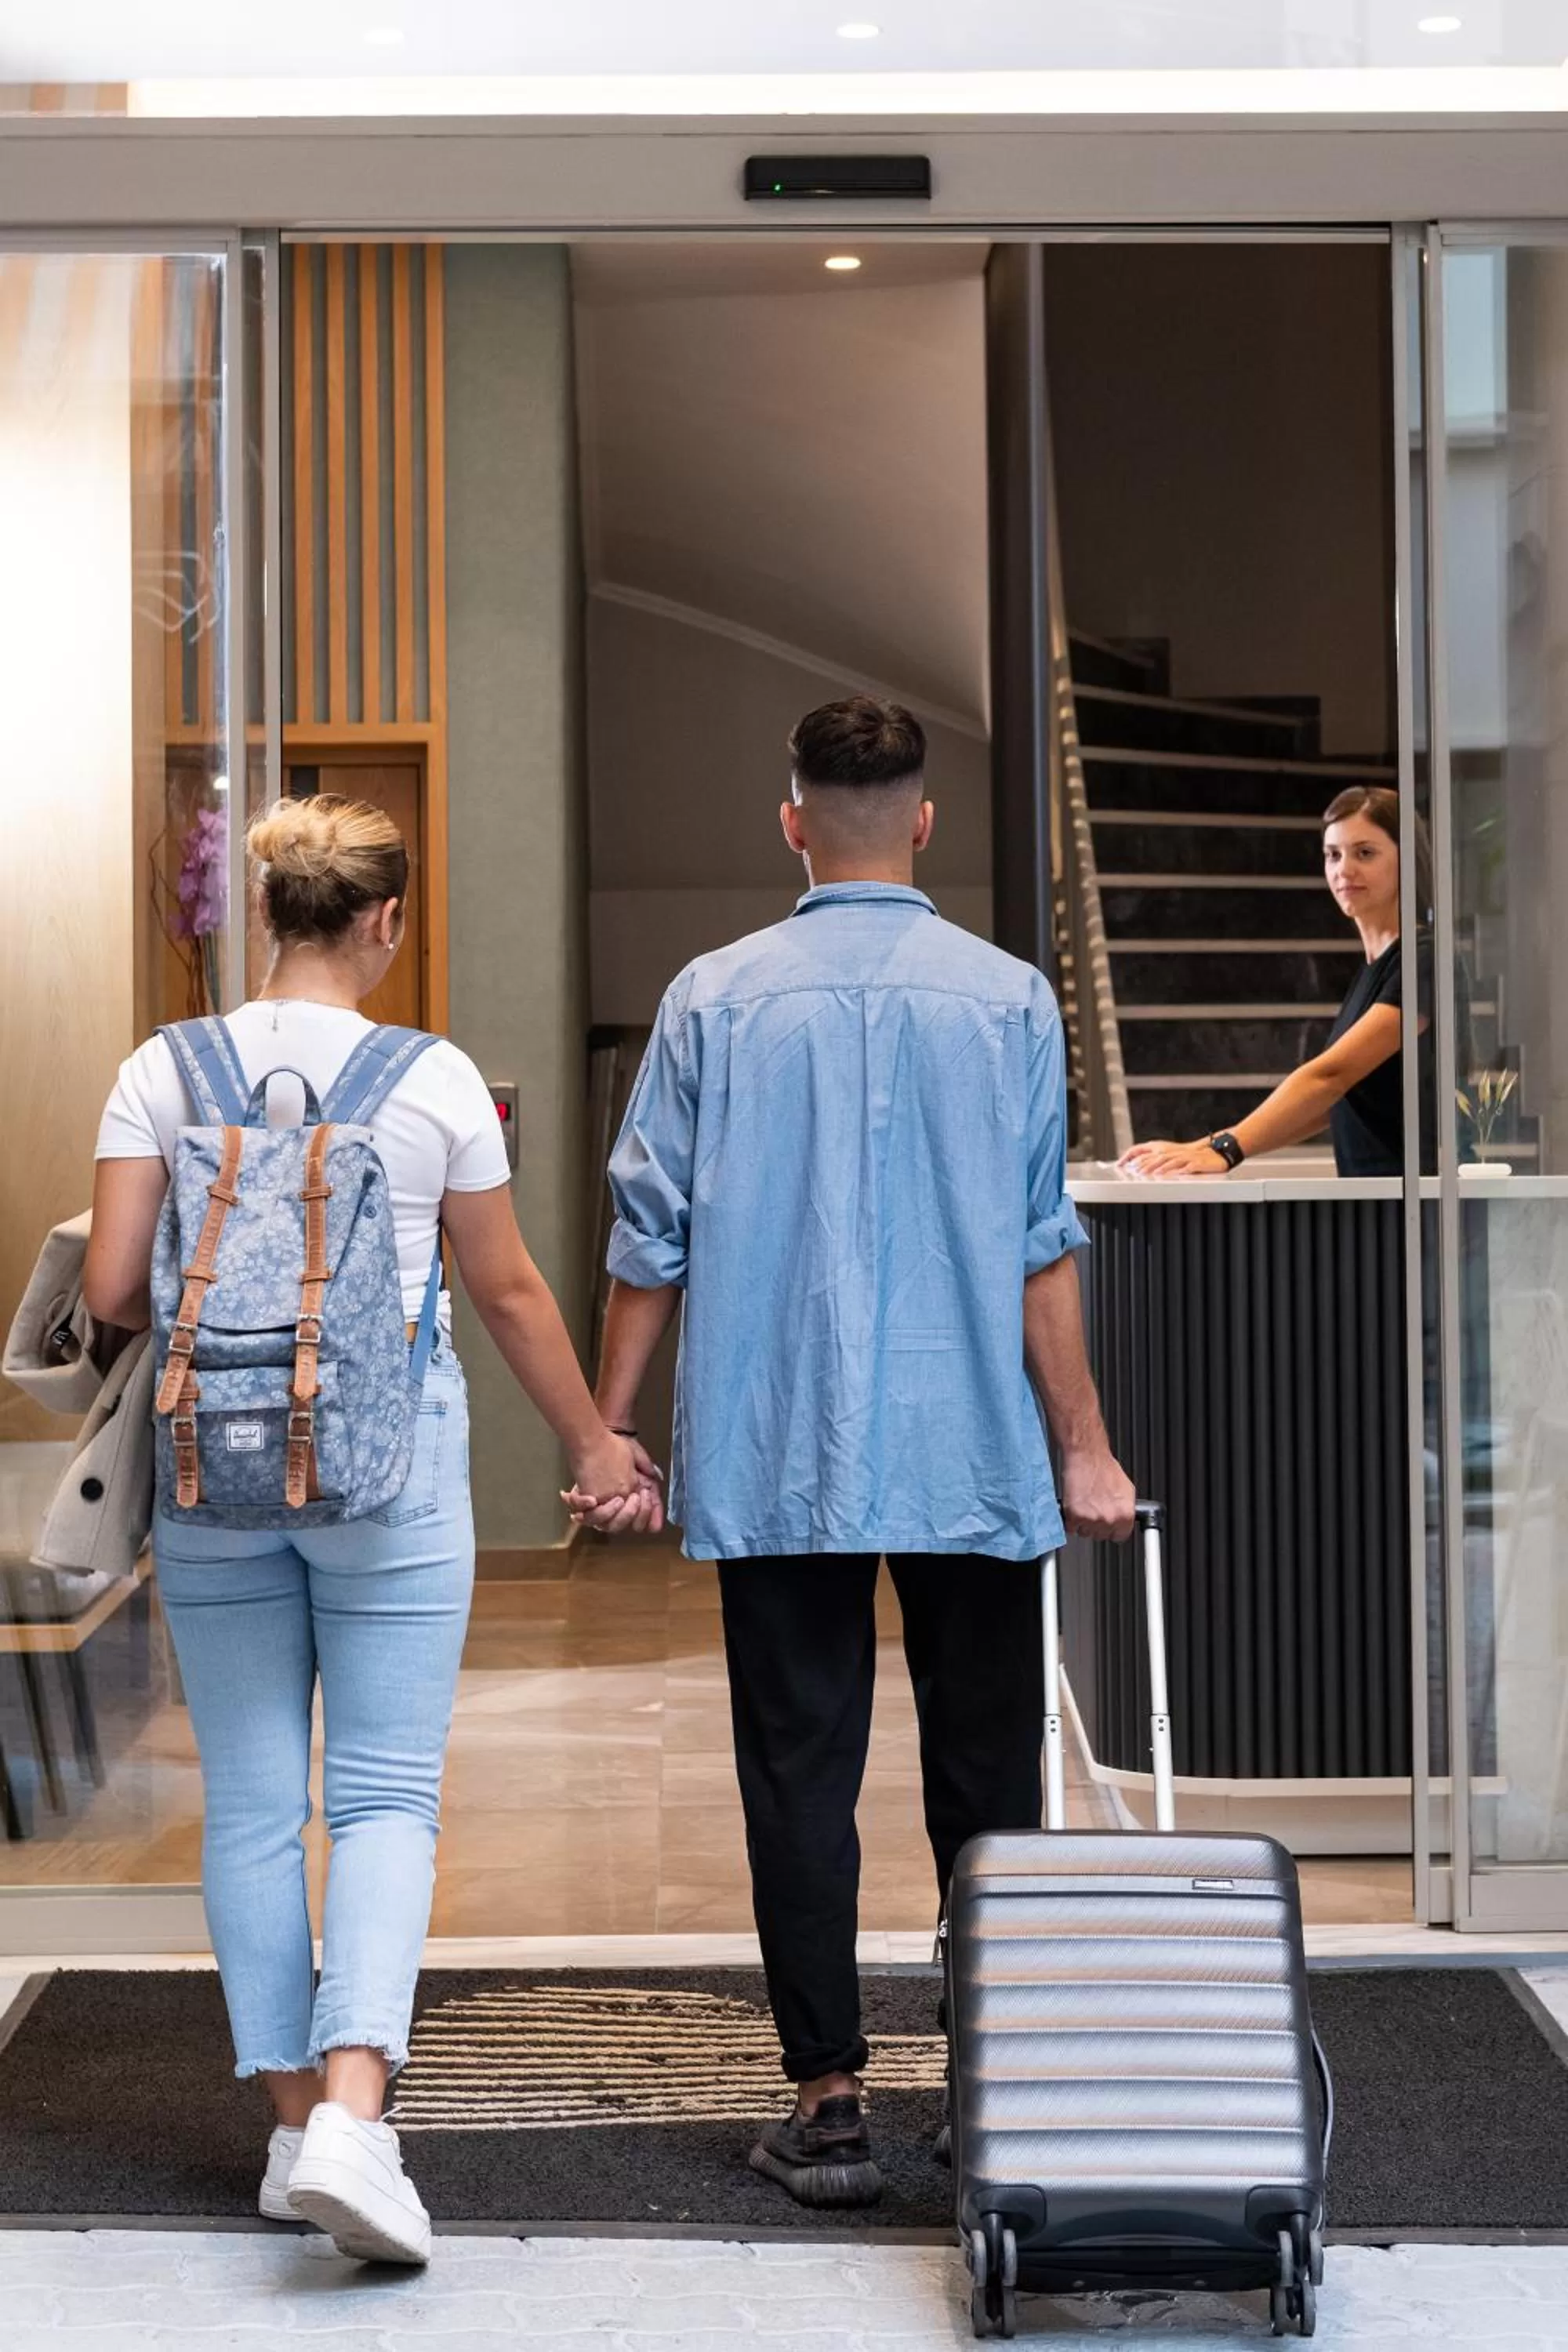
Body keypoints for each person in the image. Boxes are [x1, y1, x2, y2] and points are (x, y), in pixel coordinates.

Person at [568, 697, 1135, 2209]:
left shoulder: (713, 998)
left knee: (797, 1770)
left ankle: (827, 2101)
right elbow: (1037, 1251)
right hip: (971, 1450)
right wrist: (1083, 1449)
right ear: (925, 821)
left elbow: (651, 1240)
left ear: (793, 818)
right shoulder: (1010, 999)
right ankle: (993, 2085)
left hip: (778, 1444)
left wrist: (610, 1426)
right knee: (986, 1776)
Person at [83, 795, 658, 2265]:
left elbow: (116, 1295)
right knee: (387, 1797)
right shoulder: (434, 1079)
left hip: (216, 1474)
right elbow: (511, 1291)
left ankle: (292, 2129)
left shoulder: (163, 1067)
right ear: (387, 921)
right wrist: (597, 1445)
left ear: (267, 914)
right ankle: (354, 2113)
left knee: (253, 1802)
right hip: (391, 1463)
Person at [1120, 785, 1457, 1181]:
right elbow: (1331, 1102)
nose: (1343, 870)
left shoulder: (1424, 958)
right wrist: (1201, 1147)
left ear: (1407, 861)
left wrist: (1226, 1150)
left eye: (1364, 853)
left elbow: (1330, 1077)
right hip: (1380, 1207)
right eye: (1333, 855)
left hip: (1421, 1216)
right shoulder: (1375, 968)